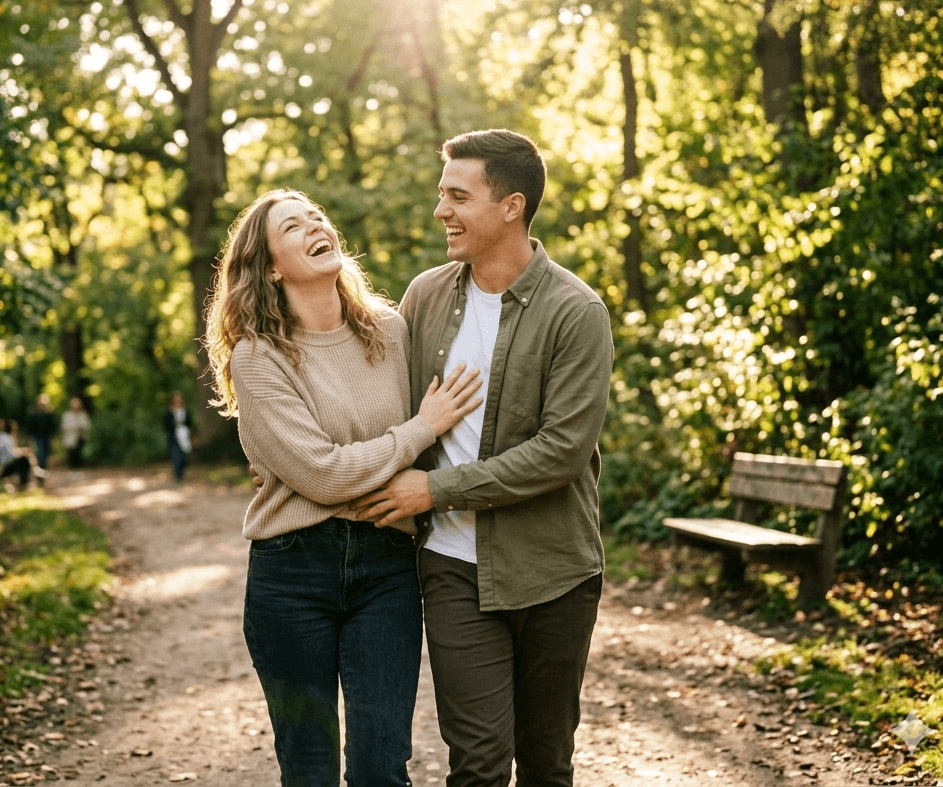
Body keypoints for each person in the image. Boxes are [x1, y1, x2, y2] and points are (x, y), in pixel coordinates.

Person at [352, 129, 613, 787]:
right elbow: (384, 402)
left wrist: (434, 491)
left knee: (546, 762)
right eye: (442, 194)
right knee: (477, 764)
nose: (441, 210)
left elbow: (562, 451)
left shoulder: (577, 312)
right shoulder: (425, 296)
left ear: (511, 206)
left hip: (554, 572)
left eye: (458, 197)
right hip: (452, 569)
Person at [203, 189, 482, 787]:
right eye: (292, 226)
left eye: (317, 217)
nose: (314, 226)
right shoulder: (258, 357)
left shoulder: (389, 331)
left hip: (387, 565)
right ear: (270, 267)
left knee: (382, 768)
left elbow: (414, 457)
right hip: (293, 572)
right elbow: (323, 474)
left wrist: (405, 457)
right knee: (309, 768)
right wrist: (420, 428)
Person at [0, 418, 33, 490]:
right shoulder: (4, 438)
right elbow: (11, 454)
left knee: (24, 461)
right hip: (5, 466)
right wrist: (23, 451)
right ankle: (23, 484)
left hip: (6, 464)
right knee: (24, 460)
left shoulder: (4, 437)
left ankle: (23, 483)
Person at [164, 392, 194, 482]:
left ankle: (181, 473)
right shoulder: (169, 412)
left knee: (185, 456)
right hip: (173, 437)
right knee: (176, 456)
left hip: (185, 436)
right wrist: (174, 424)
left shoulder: (186, 411)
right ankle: (178, 476)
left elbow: (190, 424)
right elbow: (166, 425)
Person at [27, 394, 57, 473]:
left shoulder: (49, 413)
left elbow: (53, 426)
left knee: (46, 453)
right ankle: (41, 469)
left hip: (47, 437)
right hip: (37, 436)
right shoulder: (33, 413)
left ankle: (43, 469)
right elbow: (30, 426)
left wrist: (53, 436)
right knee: (40, 453)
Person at [60, 397, 91, 470]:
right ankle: (72, 468)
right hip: (70, 437)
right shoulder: (67, 415)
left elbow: (87, 425)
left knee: (79, 453)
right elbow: (64, 426)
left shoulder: (83, 414)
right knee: (71, 453)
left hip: (80, 437)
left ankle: (78, 468)